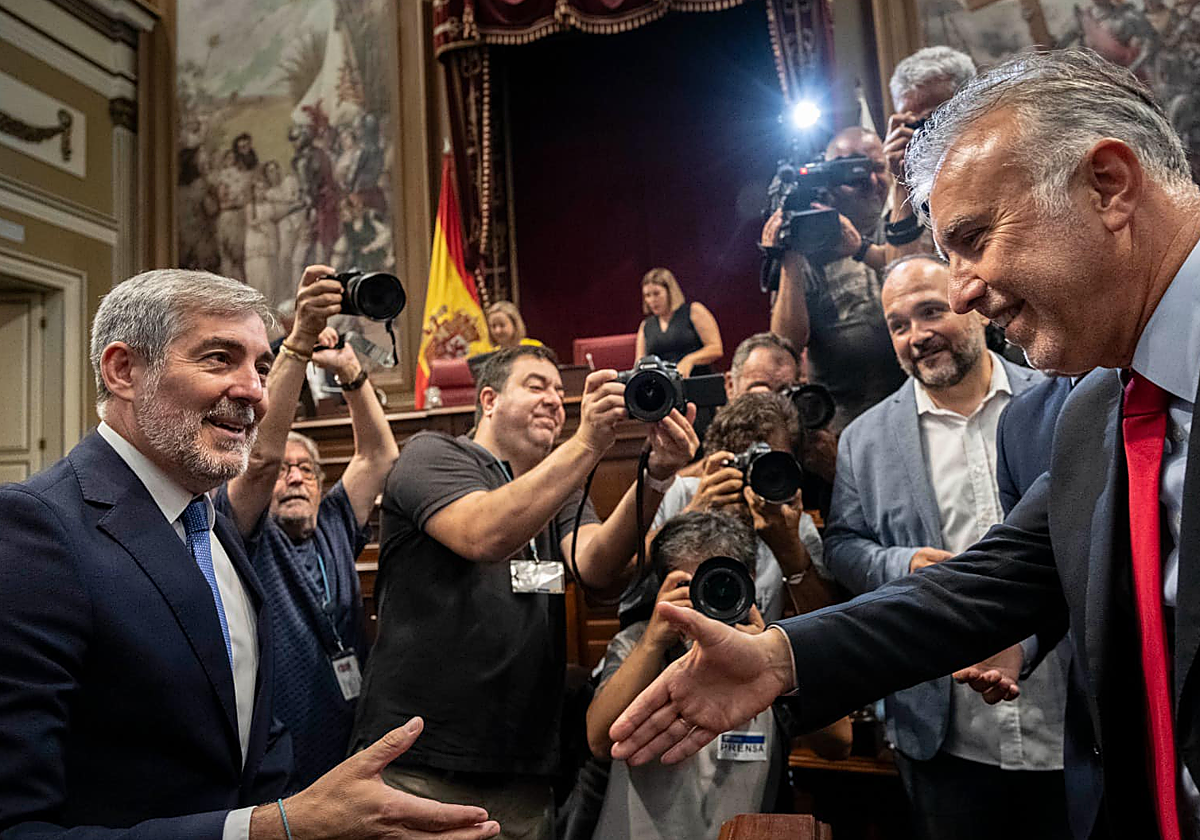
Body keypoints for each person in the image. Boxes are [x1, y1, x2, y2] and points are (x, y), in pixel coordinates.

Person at [608, 49, 1200, 840]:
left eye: (975, 237)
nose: (959, 294)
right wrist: (781, 657)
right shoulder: (1103, 412)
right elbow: (984, 587)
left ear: (1109, 186)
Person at [0, 269, 499, 839]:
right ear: (124, 371)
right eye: (218, 358)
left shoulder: (208, 522)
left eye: (262, 366)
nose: (255, 391)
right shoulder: (32, 527)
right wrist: (276, 828)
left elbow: (243, 744)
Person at [351, 344, 698, 840]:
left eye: (561, 391)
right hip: (422, 760)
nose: (555, 400)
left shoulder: (559, 489)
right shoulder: (433, 453)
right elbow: (483, 533)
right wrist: (587, 444)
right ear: (489, 400)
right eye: (536, 385)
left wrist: (657, 475)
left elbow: (594, 565)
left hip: (524, 765)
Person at [823, 254, 1067, 839]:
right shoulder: (864, 440)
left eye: (931, 311)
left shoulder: (1061, 401)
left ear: (978, 309)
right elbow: (842, 546)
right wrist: (900, 563)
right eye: (898, 325)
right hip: (944, 738)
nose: (917, 336)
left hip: (1070, 718)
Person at [217, 265, 397, 789]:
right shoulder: (247, 530)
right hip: (281, 743)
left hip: (352, 730)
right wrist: (296, 345)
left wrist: (351, 372)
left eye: (308, 471)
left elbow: (380, 455)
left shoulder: (336, 522)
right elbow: (261, 460)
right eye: (286, 472)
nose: (294, 478)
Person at [586, 511, 850, 840]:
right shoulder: (638, 644)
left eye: (719, 582)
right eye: (688, 584)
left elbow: (839, 743)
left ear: (749, 581)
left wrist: (770, 664)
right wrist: (654, 640)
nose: (705, 597)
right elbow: (599, 740)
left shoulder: (766, 649)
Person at [620, 392, 831, 627]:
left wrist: (790, 552)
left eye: (774, 465)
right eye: (746, 462)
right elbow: (617, 583)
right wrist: (690, 515)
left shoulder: (792, 524)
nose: (760, 475)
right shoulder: (681, 494)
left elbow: (825, 629)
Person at [766, 127, 907, 432]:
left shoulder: (902, 227)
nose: (872, 182)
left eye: (879, 168)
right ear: (829, 181)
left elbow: (914, 272)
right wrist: (790, 254)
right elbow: (786, 344)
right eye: (856, 175)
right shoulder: (806, 253)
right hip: (845, 428)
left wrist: (861, 249)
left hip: (916, 415)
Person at [882, 46, 976, 258]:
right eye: (914, 123)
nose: (923, 134)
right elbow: (901, 272)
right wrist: (900, 183)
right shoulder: (907, 183)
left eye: (934, 119)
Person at [635, 267, 723, 377]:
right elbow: (639, 362)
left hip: (696, 378)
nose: (652, 300)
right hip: (664, 384)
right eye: (647, 295)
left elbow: (716, 348)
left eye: (656, 294)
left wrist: (690, 360)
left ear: (670, 292)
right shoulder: (646, 325)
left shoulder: (694, 311)